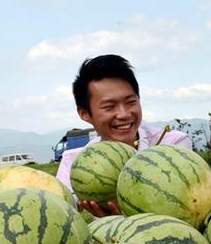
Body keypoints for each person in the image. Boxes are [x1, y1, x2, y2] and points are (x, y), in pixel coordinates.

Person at [56, 54, 192, 216]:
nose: (124, 114)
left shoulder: (172, 144)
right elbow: (63, 214)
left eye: (130, 102)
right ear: (85, 113)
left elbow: (186, 205)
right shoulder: (73, 162)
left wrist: (129, 216)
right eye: (109, 106)